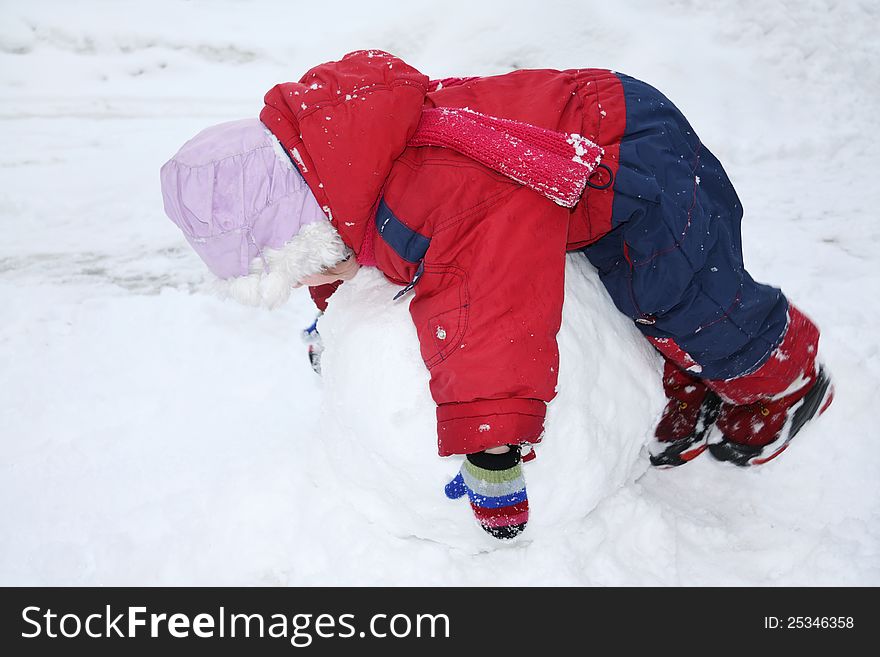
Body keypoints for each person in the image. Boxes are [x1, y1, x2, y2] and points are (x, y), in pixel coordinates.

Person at [160, 50, 833, 541]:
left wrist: (489, 445)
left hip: (635, 159)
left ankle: (783, 380)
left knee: (689, 300)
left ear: (309, 234)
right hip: (580, 142)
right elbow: (349, 261)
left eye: (300, 271)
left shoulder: (432, 194)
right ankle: (685, 382)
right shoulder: (350, 170)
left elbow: (490, 305)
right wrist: (332, 329)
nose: (313, 285)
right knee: (643, 302)